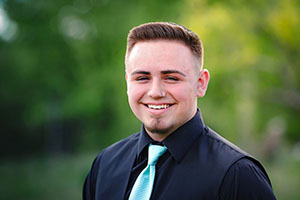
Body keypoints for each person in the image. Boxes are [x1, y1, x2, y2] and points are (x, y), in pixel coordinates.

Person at [83, 22, 276, 200]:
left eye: (171, 78)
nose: (155, 92)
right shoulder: (104, 165)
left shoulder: (238, 175)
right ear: (127, 82)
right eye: (142, 78)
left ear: (200, 84)